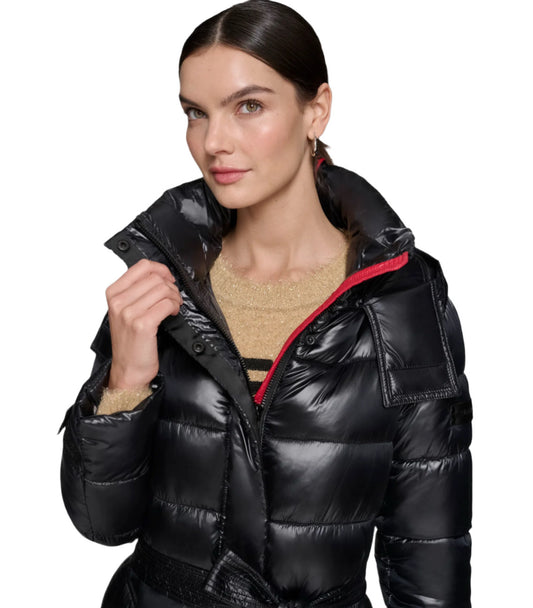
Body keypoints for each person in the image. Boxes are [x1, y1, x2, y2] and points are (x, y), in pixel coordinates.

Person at [59, 1, 473, 606]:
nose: (213, 142)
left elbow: (429, 548)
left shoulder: (402, 295)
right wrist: (126, 381)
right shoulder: (163, 278)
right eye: (196, 113)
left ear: (316, 110)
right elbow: (102, 522)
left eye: (248, 106)